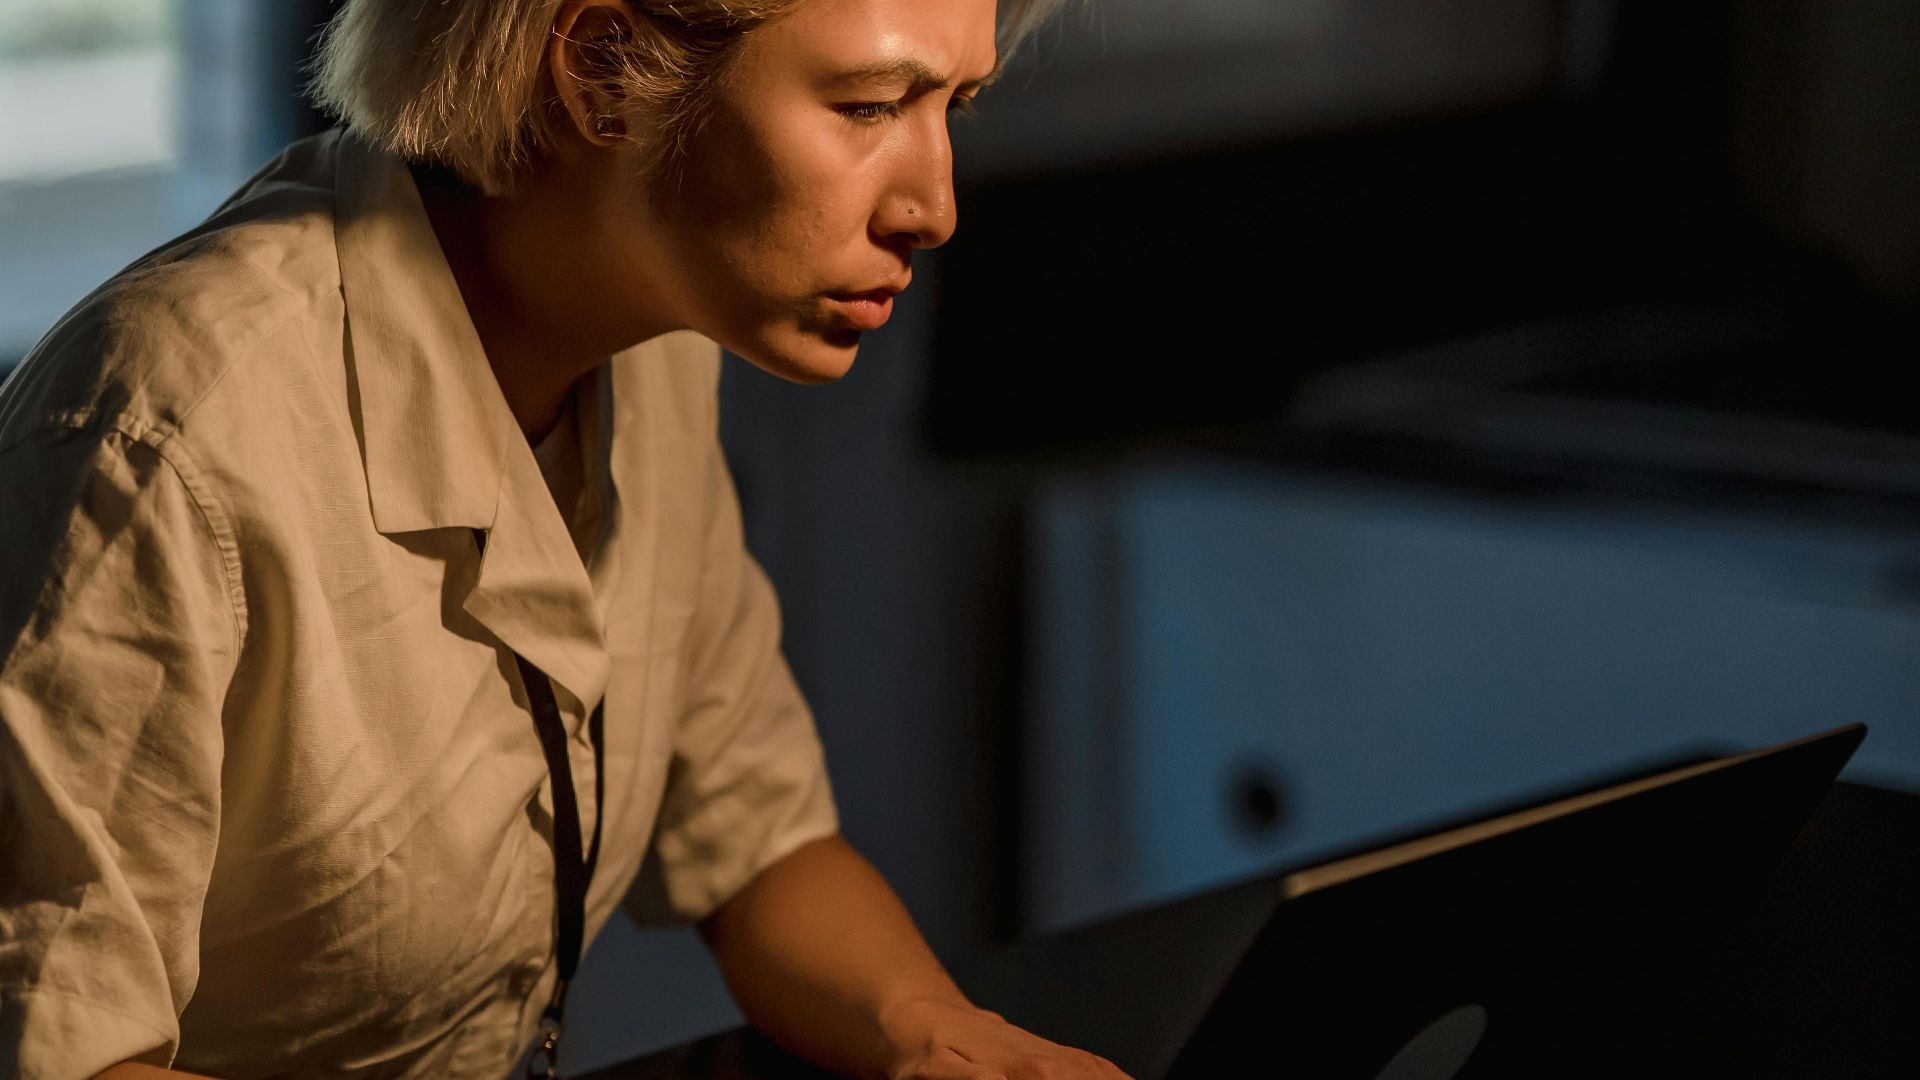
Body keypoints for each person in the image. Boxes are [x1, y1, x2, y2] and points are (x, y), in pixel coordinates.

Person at [0, 1, 1132, 1078]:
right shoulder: (162, 435)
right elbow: (60, 1053)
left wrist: (935, 1037)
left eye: (956, 107)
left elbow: (756, 837)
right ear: (602, 73)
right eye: (871, 106)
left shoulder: (661, 341)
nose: (933, 208)